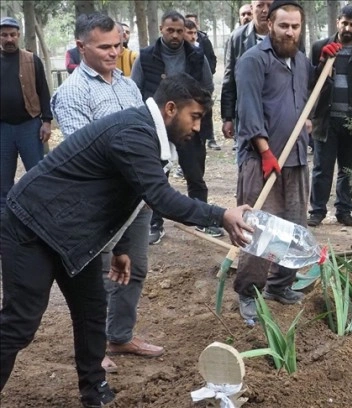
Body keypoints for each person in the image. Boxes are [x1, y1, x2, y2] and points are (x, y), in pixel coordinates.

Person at [0, 72, 254, 408]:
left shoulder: (144, 133)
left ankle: (94, 391)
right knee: (21, 322)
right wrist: (221, 214)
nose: (196, 128)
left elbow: (125, 192)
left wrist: (119, 247)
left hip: (74, 236)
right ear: (170, 108)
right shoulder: (133, 133)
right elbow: (160, 198)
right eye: (194, 117)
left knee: (92, 313)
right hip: (31, 224)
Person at [51, 12, 161, 374]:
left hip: (136, 197)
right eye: (105, 47)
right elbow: (88, 153)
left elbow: (143, 133)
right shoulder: (71, 94)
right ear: (81, 46)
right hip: (99, 203)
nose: (115, 52)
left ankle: (120, 334)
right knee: (96, 275)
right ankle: (94, 347)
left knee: (137, 267)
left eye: (118, 45)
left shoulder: (128, 85)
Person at [233, 0, 311, 324]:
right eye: (284, 26)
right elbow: (249, 111)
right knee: (257, 230)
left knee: (294, 227)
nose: (290, 32)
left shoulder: (303, 62)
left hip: (296, 159)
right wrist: (265, 152)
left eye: (295, 26)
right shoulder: (252, 60)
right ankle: (248, 293)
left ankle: (280, 285)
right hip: (261, 161)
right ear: (269, 25)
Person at [131, 10, 219, 242]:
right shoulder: (146, 56)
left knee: (195, 174)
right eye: (170, 30)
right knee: (158, 175)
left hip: (188, 126)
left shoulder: (197, 56)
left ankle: (203, 219)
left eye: (180, 31)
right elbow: (134, 89)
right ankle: (155, 225)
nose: (176, 35)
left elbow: (208, 87)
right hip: (157, 126)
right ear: (161, 29)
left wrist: (195, 115)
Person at [307, 4, 352, 228]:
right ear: (338, 22)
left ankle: (344, 210)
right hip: (326, 119)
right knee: (321, 168)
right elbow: (310, 81)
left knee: (348, 169)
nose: (347, 28)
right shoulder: (321, 46)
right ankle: (317, 210)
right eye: (344, 23)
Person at [0, 17, 52, 216]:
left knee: (37, 174)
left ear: (19, 35)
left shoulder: (31, 59)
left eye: (13, 34)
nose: (9, 39)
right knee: (3, 179)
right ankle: (5, 222)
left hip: (29, 125)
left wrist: (46, 121)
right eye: (4, 35)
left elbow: (44, 91)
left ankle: (40, 215)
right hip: (3, 128)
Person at [221, 0, 274, 144]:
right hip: (247, 114)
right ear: (252, 8)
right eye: (260, 5)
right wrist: (227, 118)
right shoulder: (236, 38)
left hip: (278, 114)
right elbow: (229, 80)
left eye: (269, 5)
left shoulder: (286, 35)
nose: (265, 10)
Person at [185, 13, 221, 151]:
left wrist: (208, 72)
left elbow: (211, 58)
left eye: (194, 32)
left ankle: (209, 138)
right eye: (189, 32)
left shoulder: (204, 41)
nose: (193, 36)